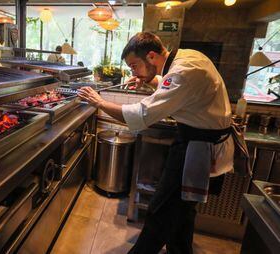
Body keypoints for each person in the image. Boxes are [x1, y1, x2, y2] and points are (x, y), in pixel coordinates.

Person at [78, 32, 234, 254]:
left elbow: (142, 114)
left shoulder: (183, 72)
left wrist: (99, 102)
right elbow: (171, 86)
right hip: (197, 142)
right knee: (183, 211)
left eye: (134, 66)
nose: (133, 72)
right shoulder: (188, 57)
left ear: (151, 56)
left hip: (196, 147)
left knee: (160, 211)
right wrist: (148, 79)